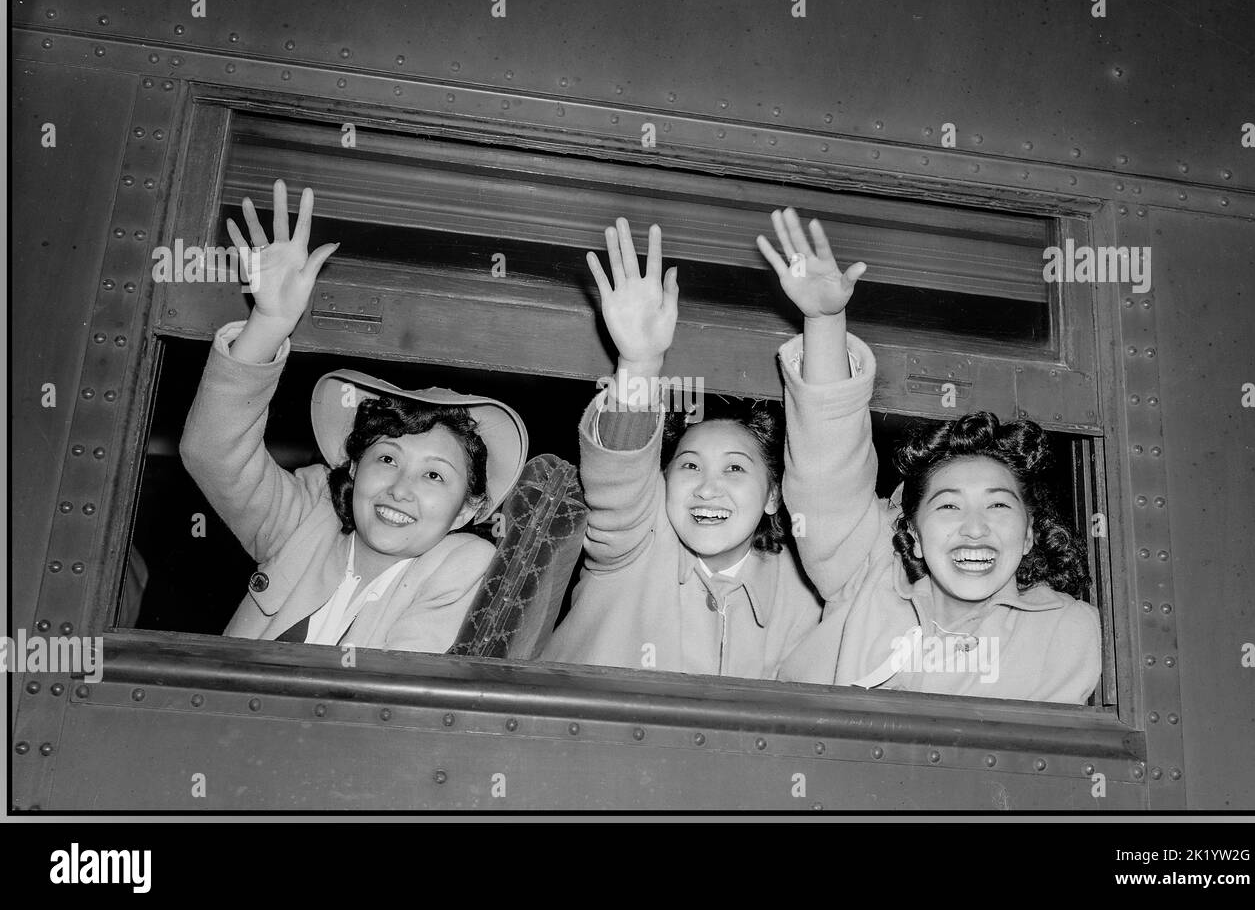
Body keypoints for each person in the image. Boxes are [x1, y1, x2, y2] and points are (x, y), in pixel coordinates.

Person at [759, 208, 1101, 704]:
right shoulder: (868, 574)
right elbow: (826, 474)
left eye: (1000, 505)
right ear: (912, 534)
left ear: (1029, 535)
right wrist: (826, 323)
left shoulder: (1065, 631)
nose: (975, 527)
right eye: (948, 505)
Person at [179, 179, 527, 652]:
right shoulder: (306, 519)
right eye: (386, 460)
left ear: (467, 509)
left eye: (434, 475)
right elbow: (212, 452)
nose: (400, 490)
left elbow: (384, 705)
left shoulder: (464, 564)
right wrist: (270, 323)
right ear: (354, 468)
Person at [542, 218, 821, 678]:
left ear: (773, 495)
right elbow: (620, 479)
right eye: (689, 466)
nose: (708, 488)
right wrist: (639, 363)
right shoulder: (635, 543)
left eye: (735, 469)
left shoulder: (802, 590)